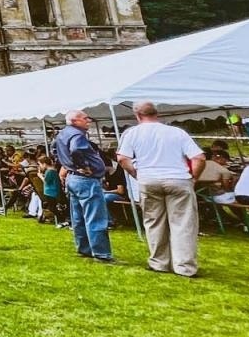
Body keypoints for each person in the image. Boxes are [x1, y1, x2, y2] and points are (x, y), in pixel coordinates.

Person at [117, 101, 206, 278]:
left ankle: (159, 262)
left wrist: (136, 174)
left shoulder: (133, 133)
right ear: (157, 114)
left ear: (137, 115)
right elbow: (199, 158)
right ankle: (184, 266)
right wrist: (193, 177)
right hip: (178, 178)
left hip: (149, 178)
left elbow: (122, 158)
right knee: (183, 223)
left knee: (153, 221)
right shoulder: (176, 132)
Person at [54, 110, 113, 264]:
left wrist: (66, 163)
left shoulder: (62, 134)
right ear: (75, 120)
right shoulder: (77, 135)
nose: (89, 120)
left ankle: (84, 248)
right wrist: (84, 165)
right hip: (86, 179)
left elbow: (55, 150)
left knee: (78, 217)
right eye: (86, 118)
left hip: (72, 178)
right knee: (95, 217)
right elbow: (76, 149)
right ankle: (101, 253)